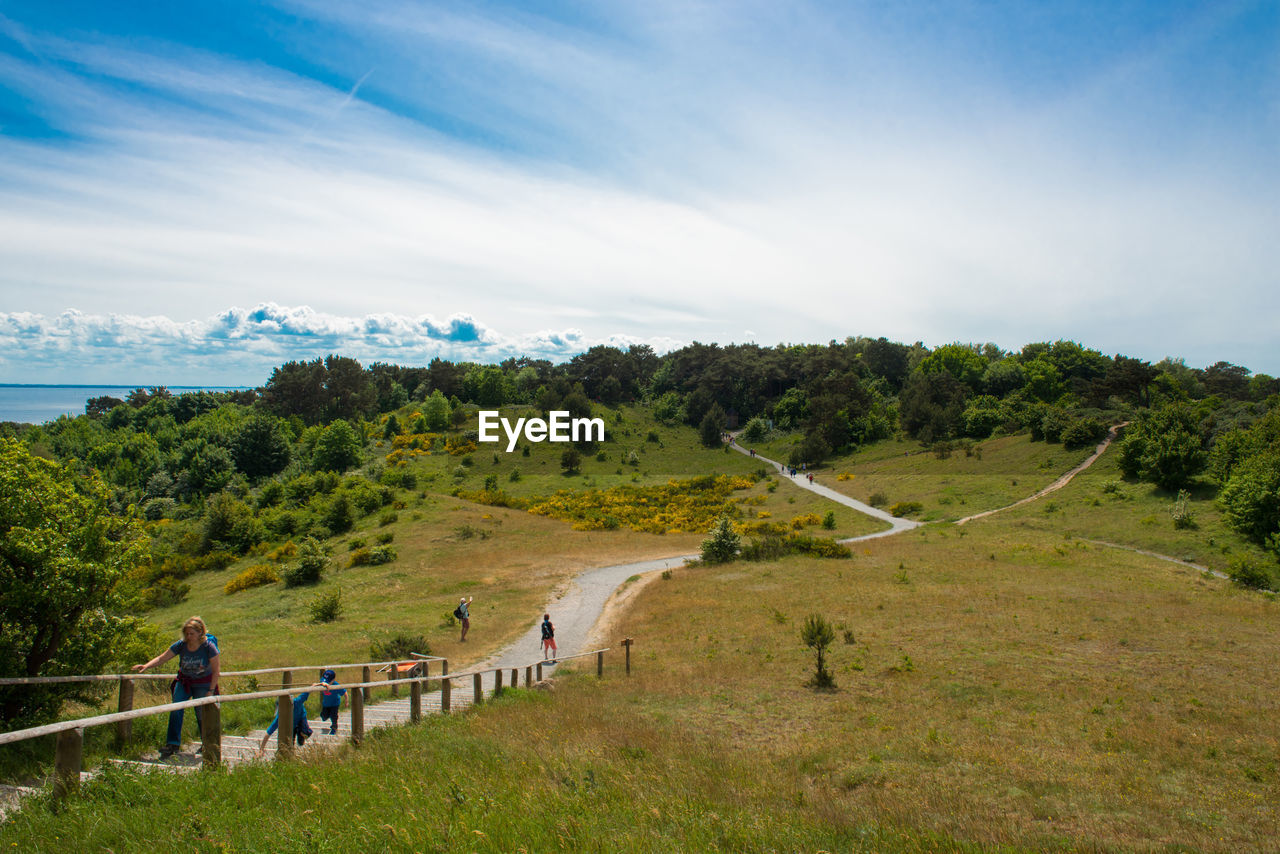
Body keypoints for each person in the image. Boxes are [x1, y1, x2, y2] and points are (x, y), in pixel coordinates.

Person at [133, 616, 220, 758]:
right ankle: (172, 744)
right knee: (175, 709)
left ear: (200, 633)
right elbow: (163, 657)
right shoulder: (181, 645)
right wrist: (146, 666)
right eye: (186, 633)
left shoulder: (208, 646)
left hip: (203, 683)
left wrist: (211, 690)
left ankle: (208, 743)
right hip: (184, 681)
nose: (188, 636)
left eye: (191, 633)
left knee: (201, 713)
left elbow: (216, 670)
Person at [318, 669, 346, 735]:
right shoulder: (323, 682)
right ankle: (326, 716)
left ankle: (334, 727)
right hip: (326, 704)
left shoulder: (336, 685)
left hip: (334, 703)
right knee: (324, 717)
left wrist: (346, 701)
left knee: (334, 716)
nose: (326, 682)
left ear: (333, 680)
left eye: (328, 681)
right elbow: (320, 683)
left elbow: (344, 692)